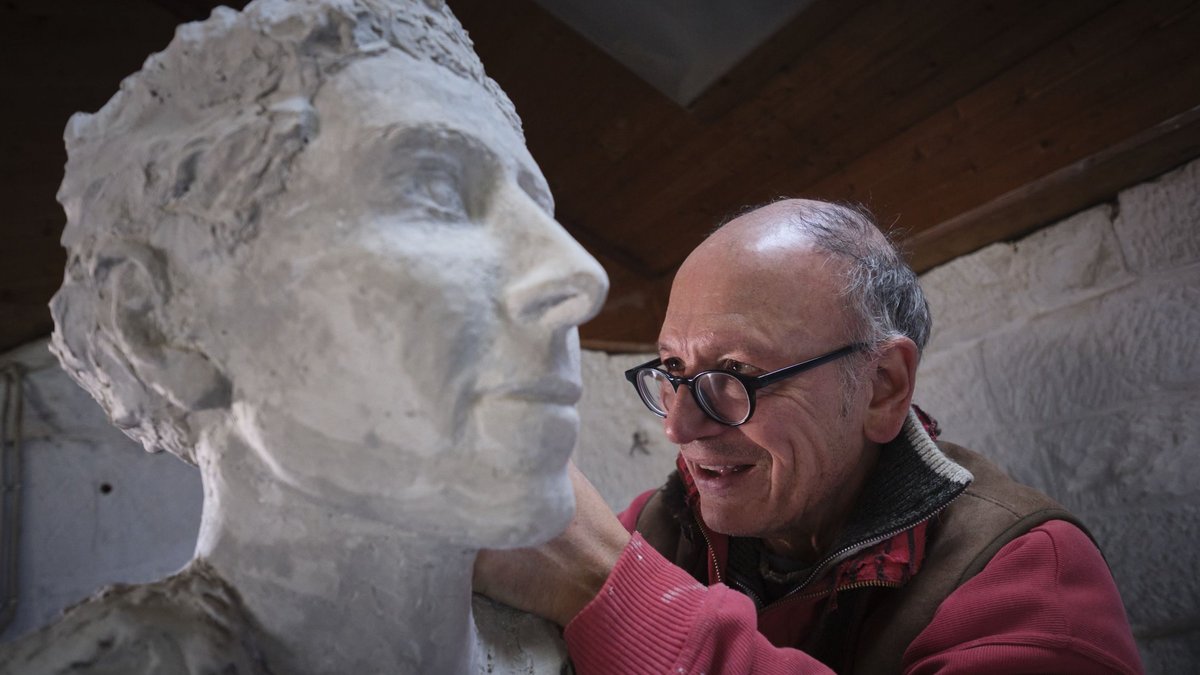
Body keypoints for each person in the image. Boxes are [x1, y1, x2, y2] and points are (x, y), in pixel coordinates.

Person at [1, 1, 606, 673]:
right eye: (431, 184)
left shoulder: (576, 654)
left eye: (538, 208)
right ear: (163, 328)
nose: (582, 274)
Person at [474, 198, 1144, 673]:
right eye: (674, 370)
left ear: (882, 386)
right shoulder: (662, 521)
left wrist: (607, 589)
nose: (678, 425)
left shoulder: (1027, 576)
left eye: (735, 373)